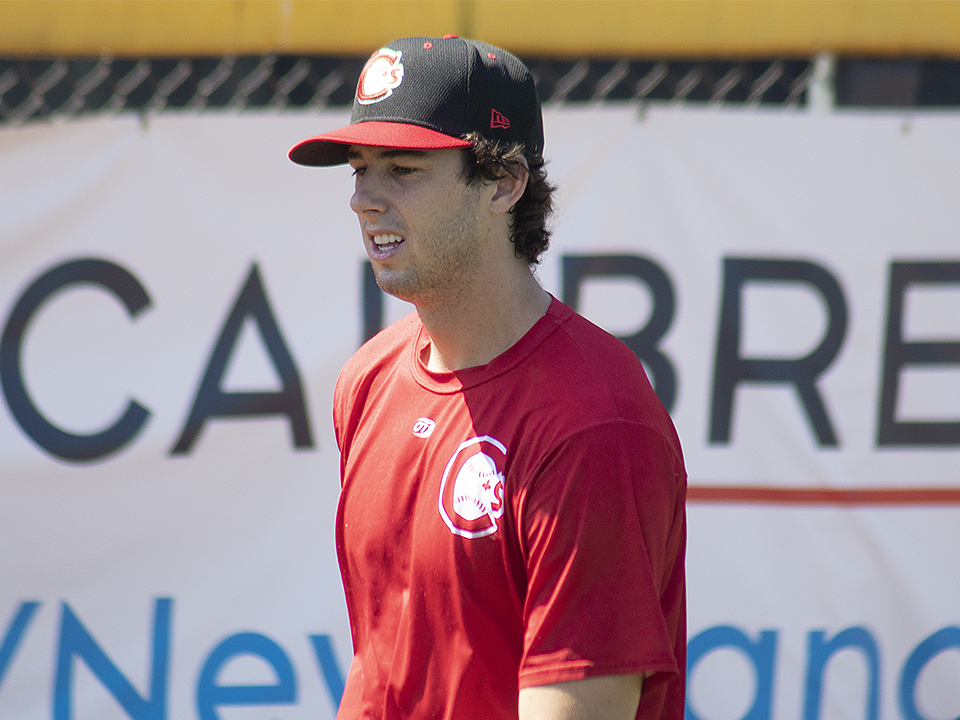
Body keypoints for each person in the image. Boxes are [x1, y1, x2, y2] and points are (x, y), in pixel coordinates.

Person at [289, 35, 687, 720]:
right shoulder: (368, 380)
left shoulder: (594, 420)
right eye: (359, 168)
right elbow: (381, 670)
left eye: (403, 170)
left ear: (503, 184)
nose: (363, 200)